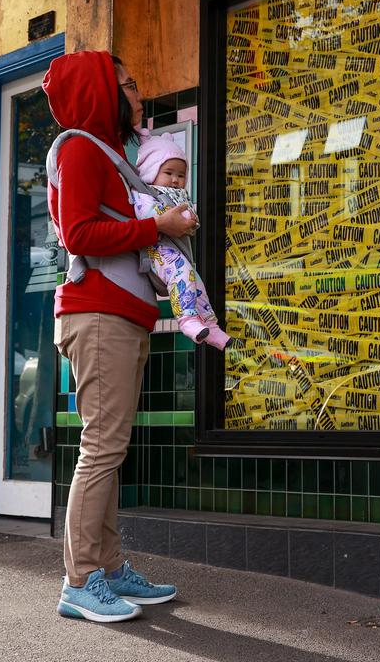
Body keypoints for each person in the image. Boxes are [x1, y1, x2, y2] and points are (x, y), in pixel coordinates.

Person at [43, 50, 194, 623]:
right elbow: (80, 231)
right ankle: (80, 580)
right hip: (98, 313)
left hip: (120, 315)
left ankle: (107, 568)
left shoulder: (106, 151)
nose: (138, 95)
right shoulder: (80, 147)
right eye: (128, 86)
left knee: (109, 448)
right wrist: (158, 225)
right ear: (102, 92)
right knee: (101, 448)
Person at [131, 132, 231, 349]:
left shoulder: (178, 196)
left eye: (181, 175)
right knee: (182, 275)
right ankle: (187, 319)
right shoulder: (143, 193)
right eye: (168, 173)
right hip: (156, 250)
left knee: (196, 283)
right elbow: (146, 213)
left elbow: (190, 221)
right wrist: (173, 217)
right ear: (151, 171)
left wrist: (190, 220)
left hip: (174, 250)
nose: (175, 180)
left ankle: (211, 326)